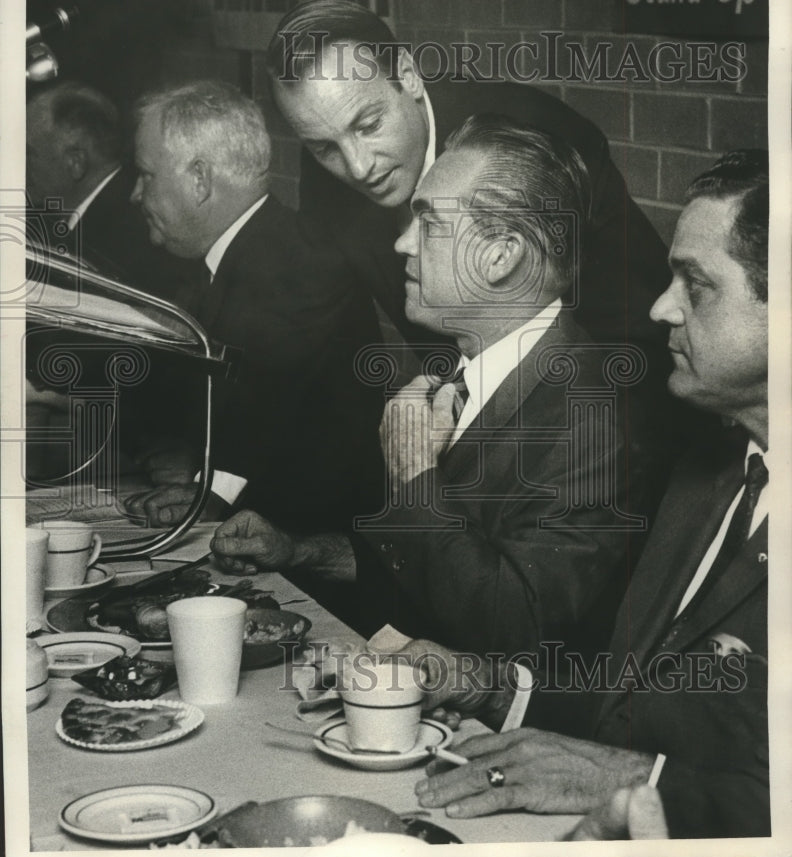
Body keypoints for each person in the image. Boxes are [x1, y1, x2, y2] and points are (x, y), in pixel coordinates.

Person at [391, 150, 769, 840]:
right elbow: (634, 699)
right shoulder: (713, 472)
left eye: (698, 285)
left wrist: (636, 779)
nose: (660, 308)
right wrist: (494, 686)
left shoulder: (611, 418)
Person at [211, 117, 656, 660]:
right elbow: (432, 565)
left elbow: (515, 632)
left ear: (499, 255)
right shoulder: (469, 369)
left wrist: (414, 474)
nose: (401, 243)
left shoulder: (590, 417)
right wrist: (298, 551)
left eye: (428, 224)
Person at [265, 0, 672, 379]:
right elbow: (327, 332)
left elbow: (640, 333)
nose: (357, 166)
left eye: (369, 126)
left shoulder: (543, 136)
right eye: (325, 148)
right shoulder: (324, 170)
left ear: (407, 76)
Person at [123, 81, 385, 548]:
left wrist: (209, 490)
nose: (135, 194)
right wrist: (195, 457)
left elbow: (271, 395)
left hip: (317, 551)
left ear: (200, 179)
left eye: (146, 175)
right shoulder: (244, 254)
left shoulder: (297, 261)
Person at [25, 80, 190, 299]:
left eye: (29, 154)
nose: (17, 166)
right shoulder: (79, 220)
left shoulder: (130, 240)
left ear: (76, 163)